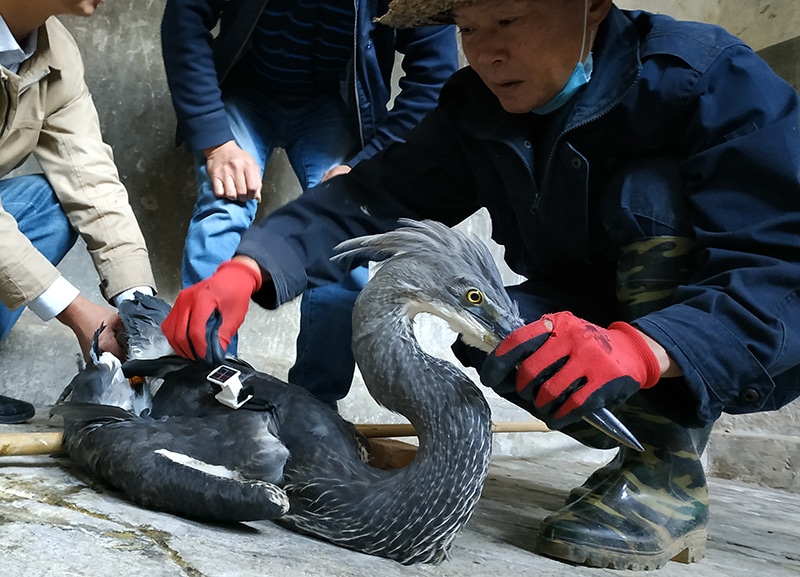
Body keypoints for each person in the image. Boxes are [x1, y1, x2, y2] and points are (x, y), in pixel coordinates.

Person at [161, 0, 800, 570]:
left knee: (646, 196)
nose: (487, 50)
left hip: (718, 329)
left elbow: (781, 263)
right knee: (495, 331)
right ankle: (642, 442)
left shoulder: (711, 80)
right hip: (585, 316)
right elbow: (366, 196)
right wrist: (251, 267)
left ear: (592, 9)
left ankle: (663, 472)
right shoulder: (475, 109)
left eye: (508, 21)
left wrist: (644, 347)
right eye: (468, 27)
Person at [160, 0, 459, 409]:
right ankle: (205, 391)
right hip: (246, 90)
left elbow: (434, 78)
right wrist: (214, 138)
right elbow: (185, 16)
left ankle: (314, 410)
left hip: (332, 105)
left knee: (348, 243)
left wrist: (367, 165)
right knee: (223, 208)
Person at [0, 0, 156, 424]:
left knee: (49, 205)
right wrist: (80, 313)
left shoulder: (55, 53)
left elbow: (90, 178)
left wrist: (138, 306)